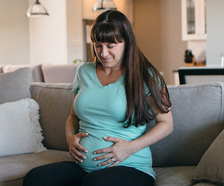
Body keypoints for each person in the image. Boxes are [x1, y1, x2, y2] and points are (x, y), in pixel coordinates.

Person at [23, 10, 173, 186]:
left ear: (126, 43)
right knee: (36, 178)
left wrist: (130, 148)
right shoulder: (83, 72)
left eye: (111, 46)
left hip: (131, 167)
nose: (103, 53)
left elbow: (166, 124)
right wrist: (70, 137)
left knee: (95, 183)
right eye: (97, 45)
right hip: (83, 168)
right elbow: (73, 116)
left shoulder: (146, 75)